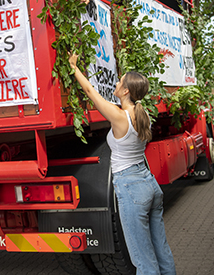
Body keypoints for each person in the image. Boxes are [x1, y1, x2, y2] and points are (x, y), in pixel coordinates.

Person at [69, 53, 176, 275]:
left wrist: (73, 67)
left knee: (142, 258)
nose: (116, 83)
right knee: (161, 249)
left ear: (126, 91)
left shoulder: (119, 117)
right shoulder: (141, 113)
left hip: (132, 189)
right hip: (149, 184)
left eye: (120, 82)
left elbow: (91, 93)